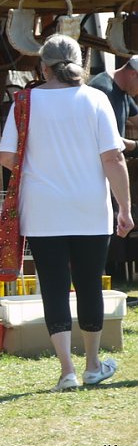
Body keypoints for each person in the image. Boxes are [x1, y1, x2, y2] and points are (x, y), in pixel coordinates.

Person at [0, 34, 132, 392]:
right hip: (90, 209)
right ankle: (92, 364)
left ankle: (66, 370)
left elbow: (6, 157)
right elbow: (113, 157)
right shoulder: (96, 99)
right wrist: (126, 208)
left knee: (54, 288)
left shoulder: (24, 102)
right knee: (90, 285)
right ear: (81, 64)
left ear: (42, 67)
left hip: (42, 210)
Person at [87, 55, 138, 280]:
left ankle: (109, 277)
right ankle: (105, 276)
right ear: (133, 74)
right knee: (108, 222)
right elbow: (110, 142)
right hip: (97, 170)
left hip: (110, 166)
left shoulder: (124, 92)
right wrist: (132, 146)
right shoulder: (102, 90)